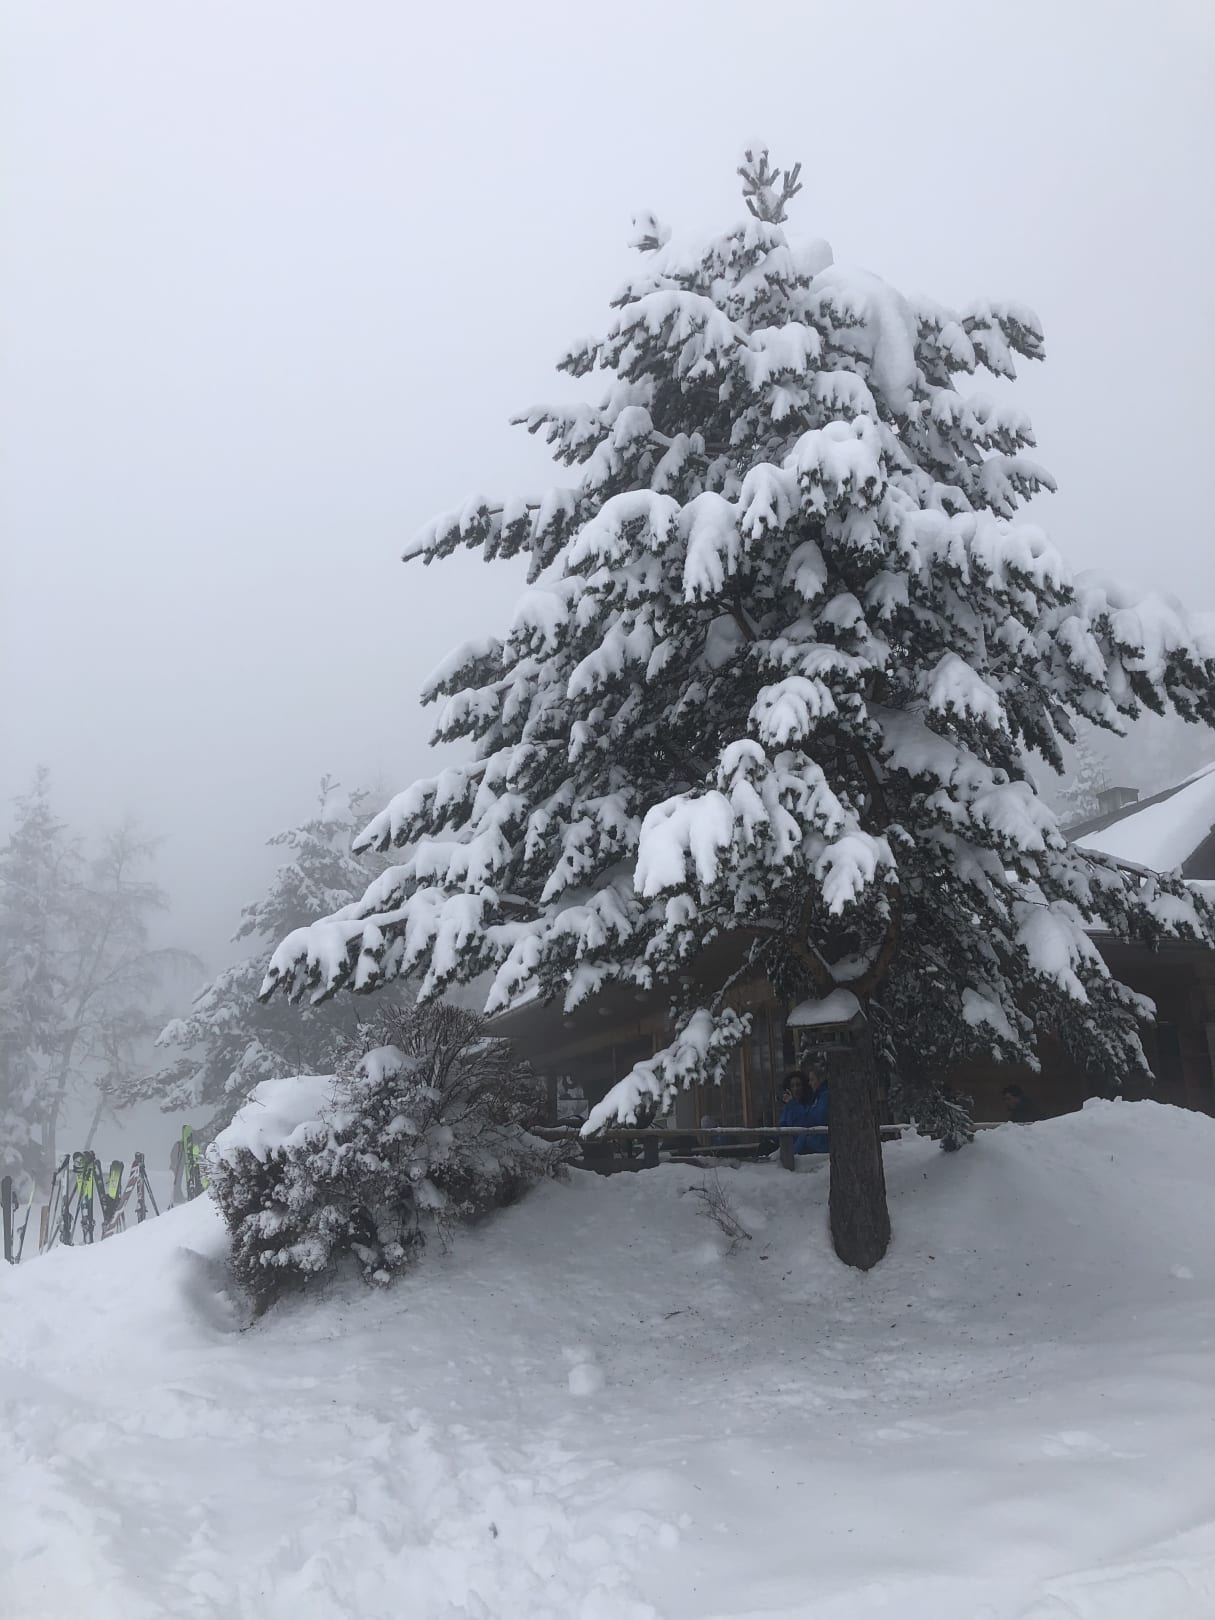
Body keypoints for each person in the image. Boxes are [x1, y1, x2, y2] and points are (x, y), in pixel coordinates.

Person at [779, 1070, 829, 1155]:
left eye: (798, 1085)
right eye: (792, 1086)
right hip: (795, 1146)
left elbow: (811, 1121)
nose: (796, 1089)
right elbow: (783, 1126)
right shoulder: (788, 1107)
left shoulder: (816, 1100)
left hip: (812, 1148)